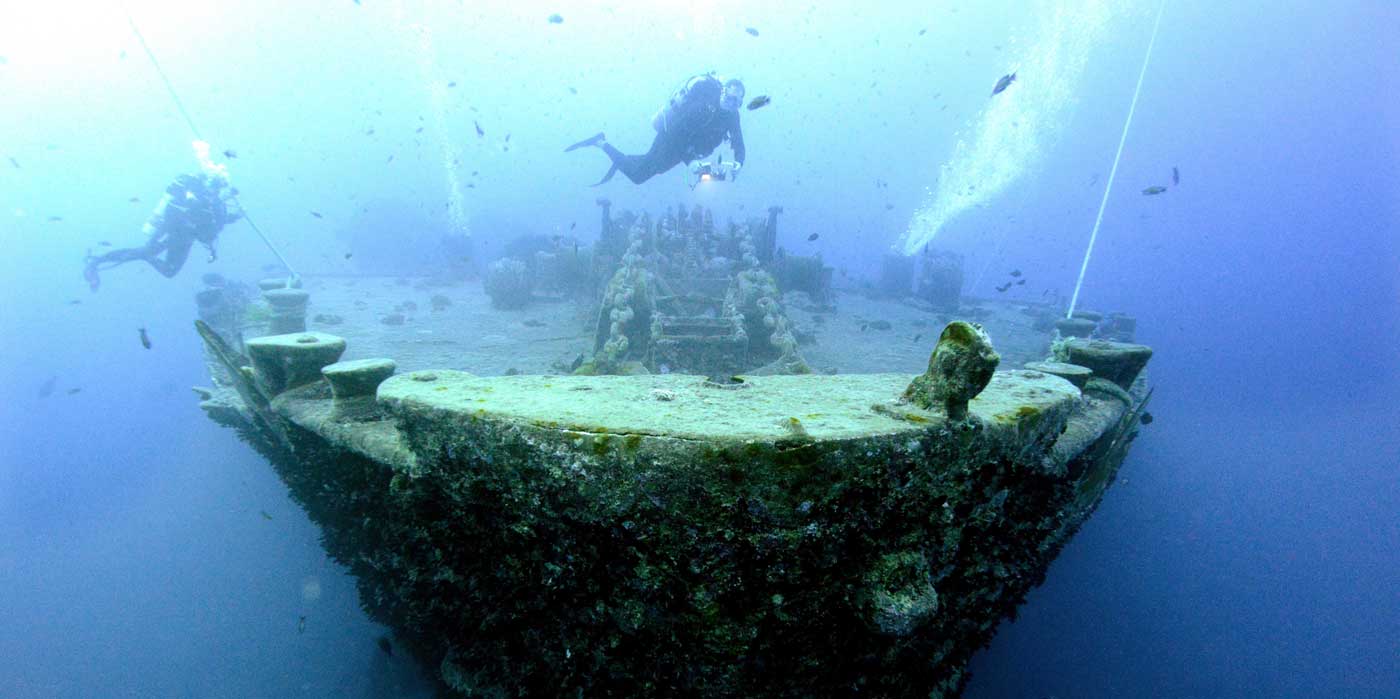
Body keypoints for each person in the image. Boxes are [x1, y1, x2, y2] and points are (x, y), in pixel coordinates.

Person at [567, 74, 747, 186]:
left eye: (737, 103)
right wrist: (690, 161)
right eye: (729, 99)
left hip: (687, 150)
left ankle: (621, 159)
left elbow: (738, 141)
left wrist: (739, 163)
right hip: (669, 138)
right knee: (638, 176)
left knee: (652, 167)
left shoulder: (732, 115)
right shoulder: (703, 107)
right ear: (723, 93)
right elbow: (677, 132)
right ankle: (601, 143)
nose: (731, 105)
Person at [84, 172, 242, 291]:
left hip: (171, 233)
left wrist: (230, 217)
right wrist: (230, 216)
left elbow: (206, 221)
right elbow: (209, 229)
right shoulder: (208, 202)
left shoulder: (200, 199)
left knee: (145, 254)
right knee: (165, 267)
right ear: (218, 187)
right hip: (178, 236)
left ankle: (97, 261)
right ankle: (98, 262)